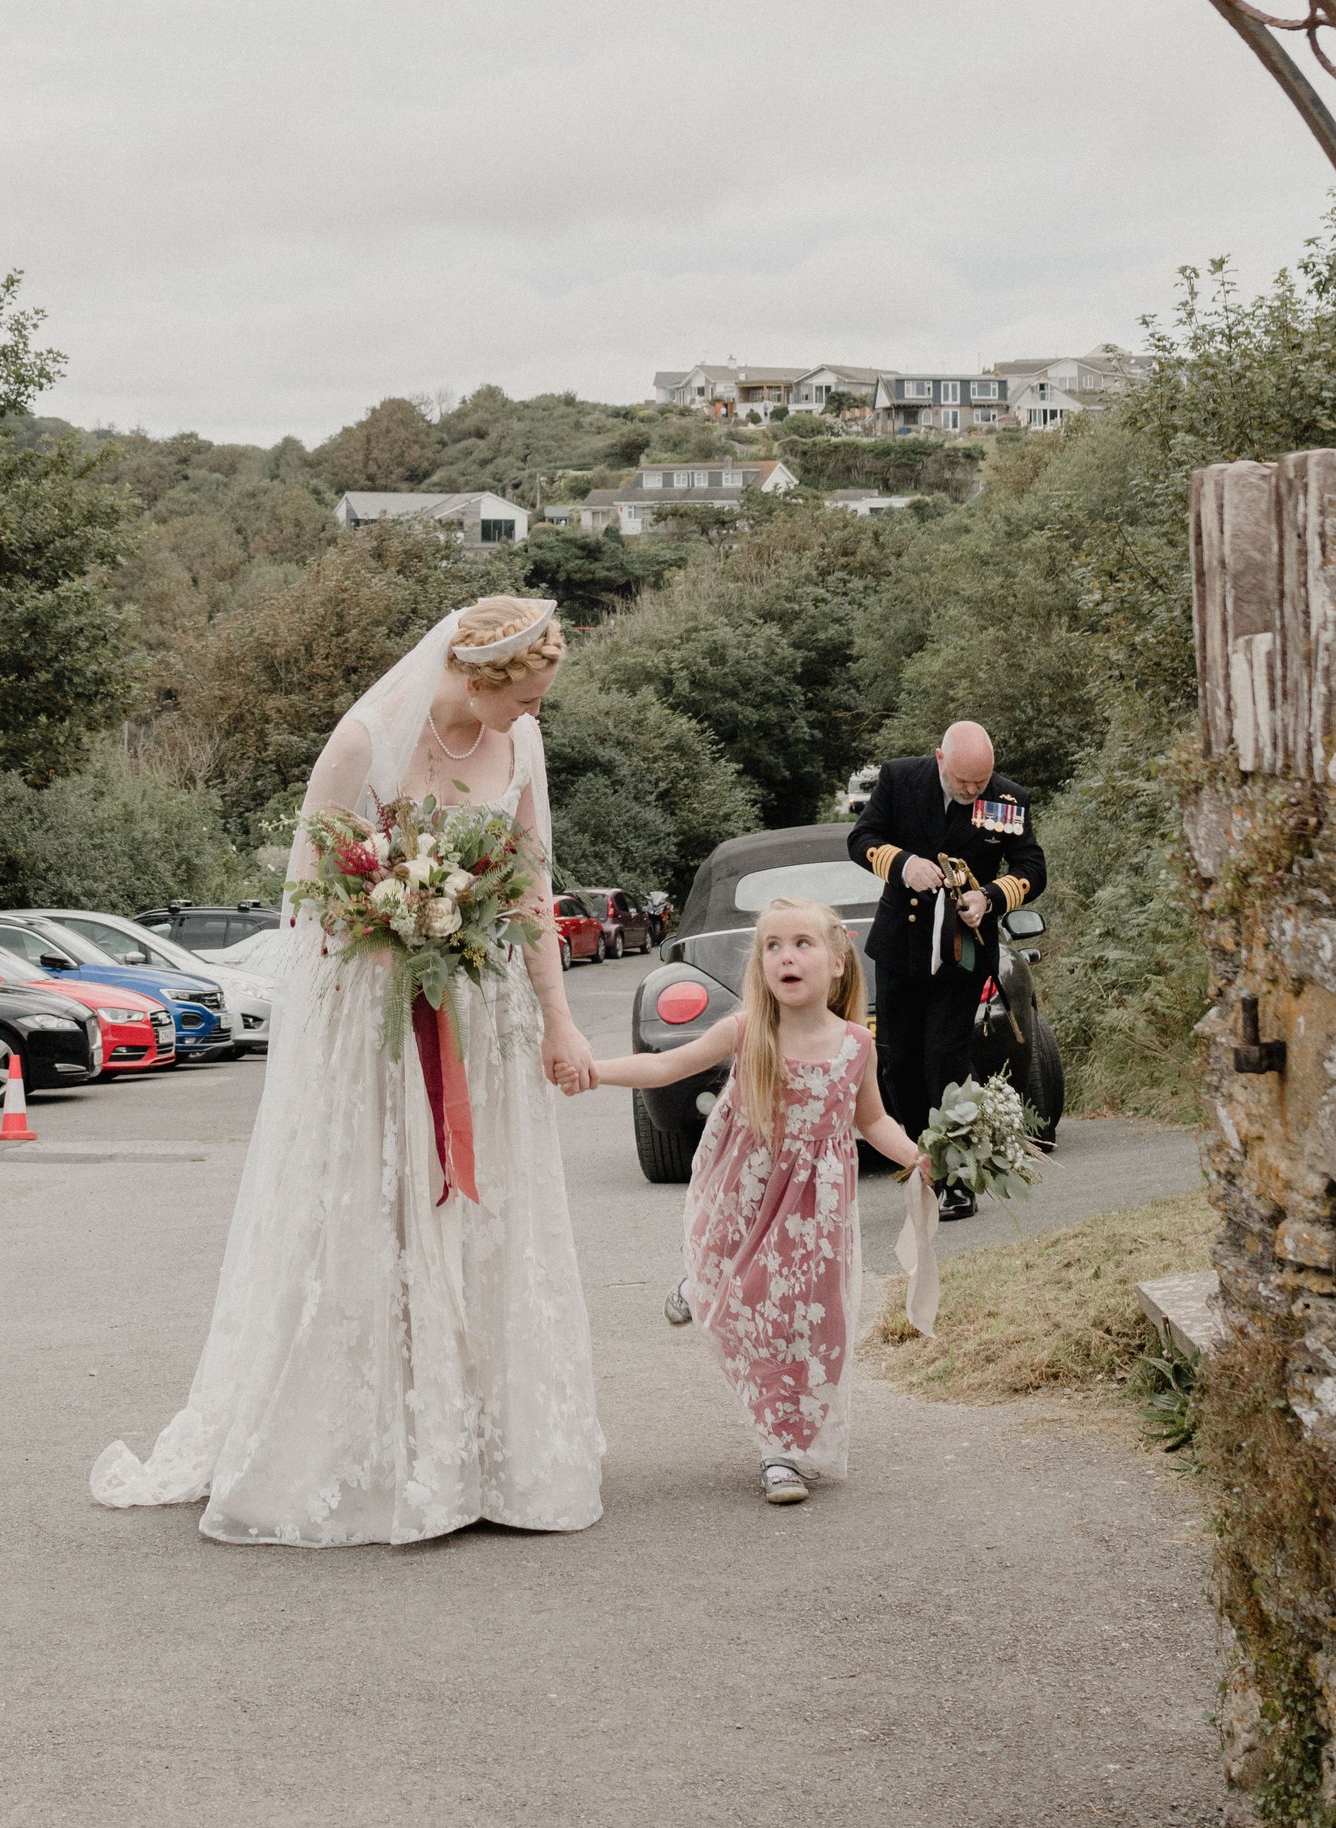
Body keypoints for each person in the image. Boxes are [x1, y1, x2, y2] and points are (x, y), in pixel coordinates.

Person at [90, 594, 603, 1546]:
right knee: (377, 1210)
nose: (534, 717)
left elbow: (532, 884)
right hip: (373, 1011)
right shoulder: (364, 743)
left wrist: (557, 1023)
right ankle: (373, 1449)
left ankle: (480, 1450)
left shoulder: (521, 750)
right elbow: (308, 894)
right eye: (526, 698)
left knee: (479, 1213)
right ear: (481, 677)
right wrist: (395, 919)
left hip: (480, 1015)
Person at [571, 899, 928, 1503]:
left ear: (839, 962)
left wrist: (918, 1156)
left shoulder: (855, 1046)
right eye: (772, 946)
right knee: (742, 1297)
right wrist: (595, 1071)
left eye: (802, 944)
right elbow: (668, 1068)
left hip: (817, 1211)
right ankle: (700, 1286)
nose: (786, 956)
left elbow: (874, 1119)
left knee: (807, 1322)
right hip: (742, 1190)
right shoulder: (747, 1032)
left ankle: (781, 1450)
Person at [847, 719, 1045, 1218]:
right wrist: (901, 864)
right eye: (963, 782)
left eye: (981, 782)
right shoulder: (899, 779)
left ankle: (957, 1182)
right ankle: (923, 1164)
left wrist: (991, 896)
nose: (973, 791)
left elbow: (1031, 867)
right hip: (901, 949)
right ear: (940, 759)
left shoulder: (1007, 800)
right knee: (902, 1064)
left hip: (963, 954)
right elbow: (861, 838)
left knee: (947, 1059)